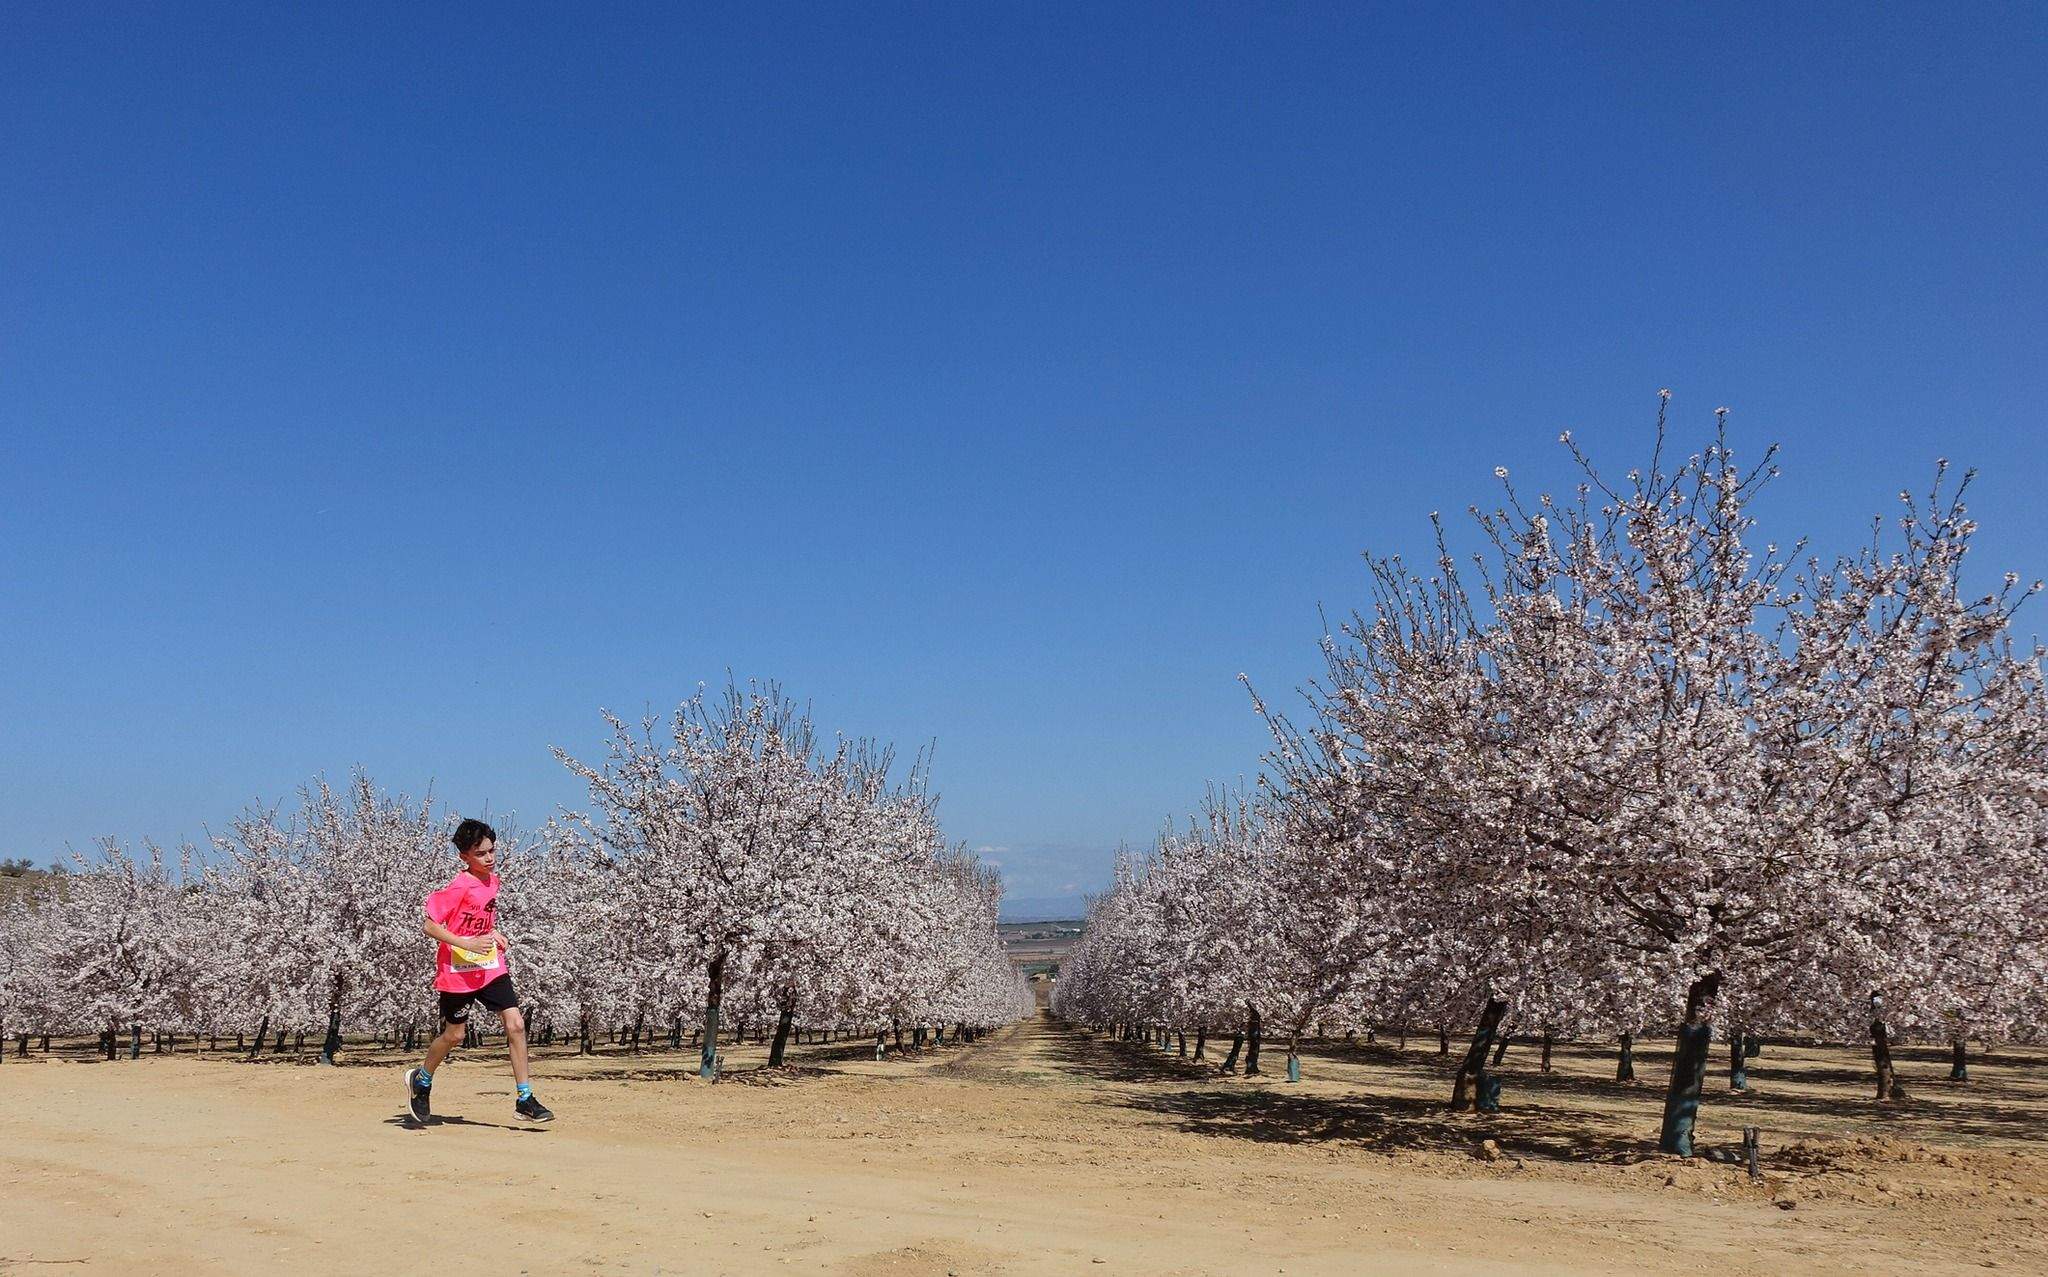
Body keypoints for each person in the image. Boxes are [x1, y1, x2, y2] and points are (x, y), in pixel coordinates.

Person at [405, 818, 554, 1124]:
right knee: (455, 1035)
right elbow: (430, 925)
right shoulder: (458, 886)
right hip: (458, 971)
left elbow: (480, 918)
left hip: (489, 966)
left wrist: (494, 932)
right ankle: (421, 1080)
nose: (490, 858)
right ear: (464, 857)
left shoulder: (493, 881)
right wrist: (465, 943)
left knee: (515, 1024)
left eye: (492, 851)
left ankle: (525, 1098)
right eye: (481, 854)